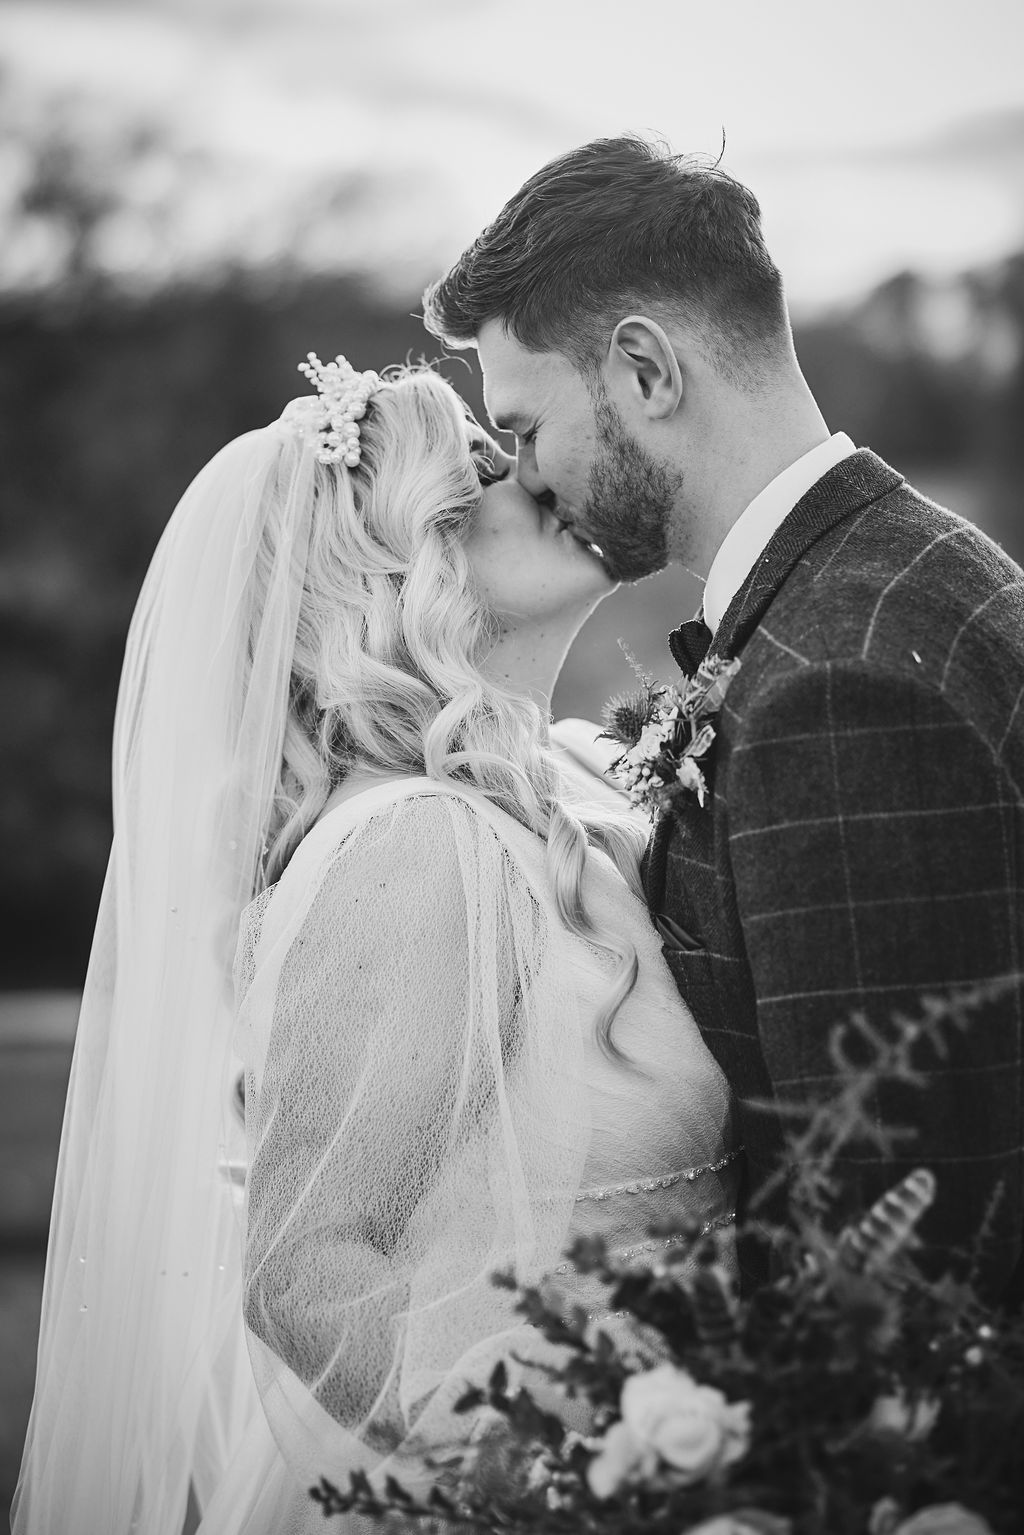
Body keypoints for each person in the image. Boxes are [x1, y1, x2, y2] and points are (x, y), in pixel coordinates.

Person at [12, 356, 739, 1535]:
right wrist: (580, 1475)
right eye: (479, 476)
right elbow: (306, 1268)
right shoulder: (418, 845)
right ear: (413, 553)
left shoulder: (565, 793)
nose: (536, 475)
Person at [423, 134, 1024, 1304]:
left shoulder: (839, 690)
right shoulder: (888, 580)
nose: (523, 480)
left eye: (527, 429)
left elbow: (907, 1239)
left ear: (645, 370)